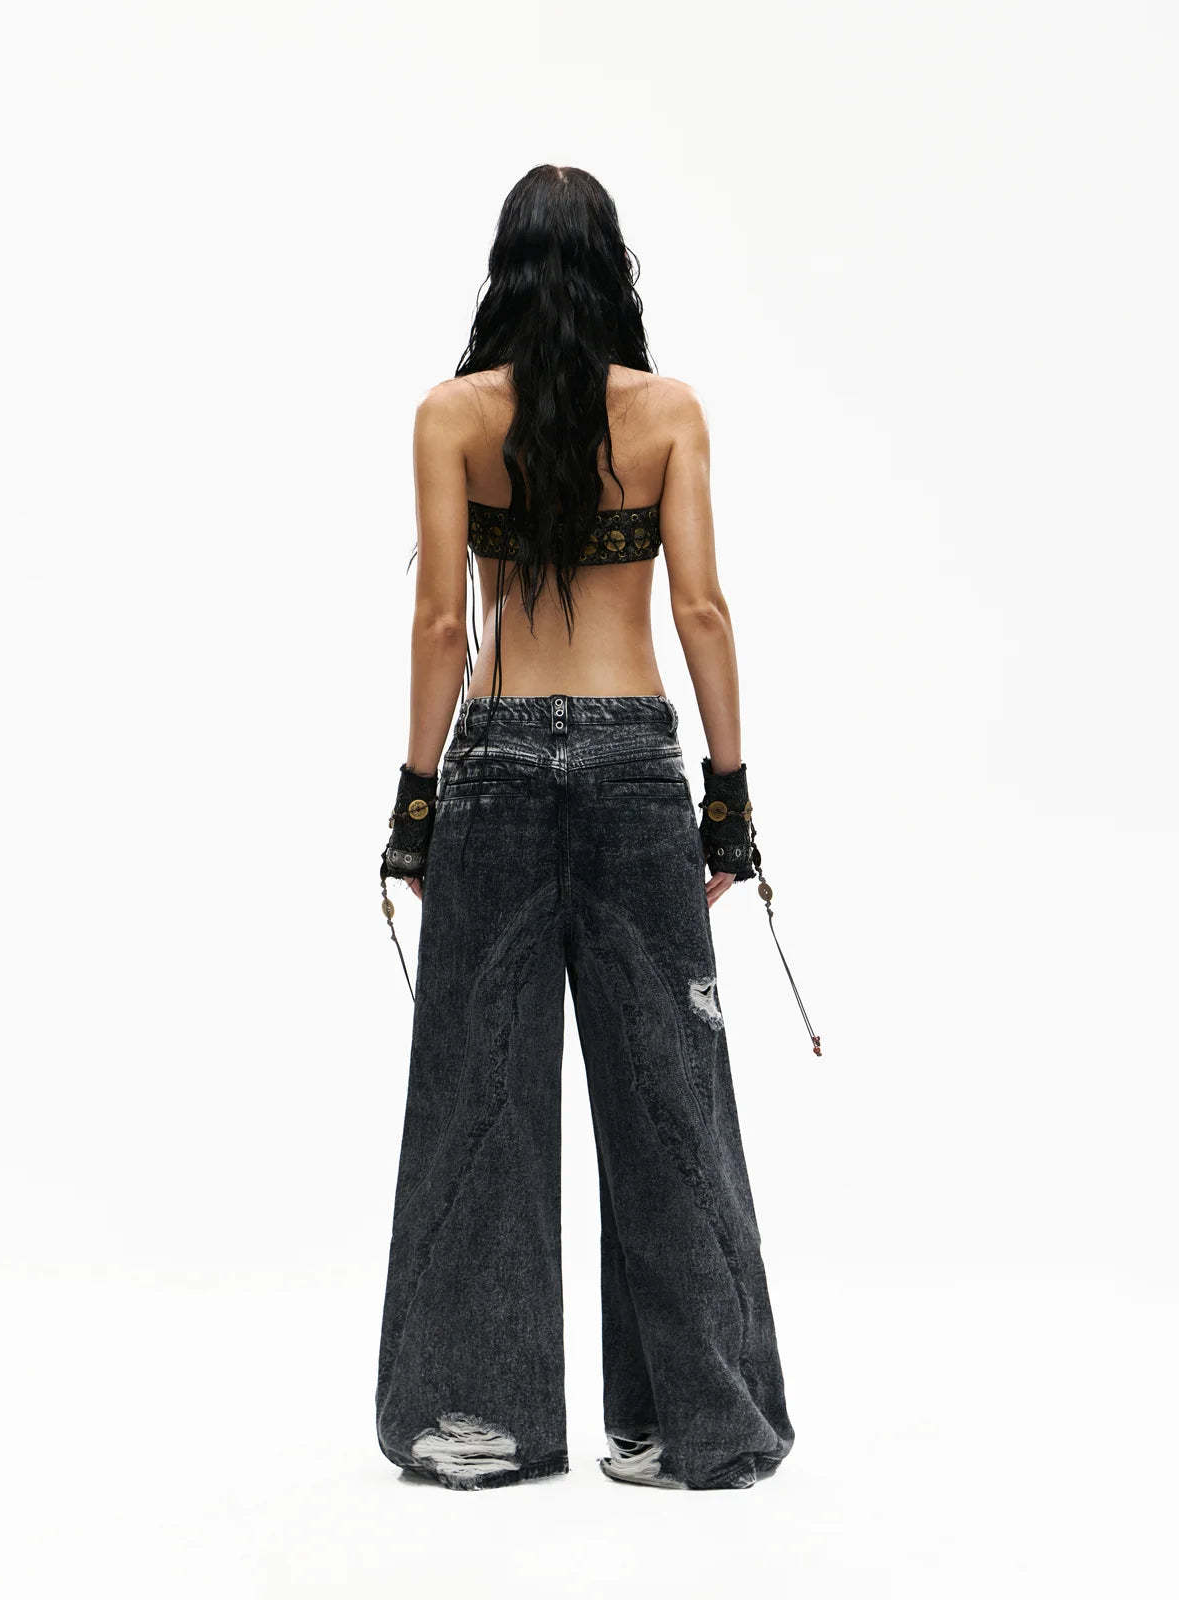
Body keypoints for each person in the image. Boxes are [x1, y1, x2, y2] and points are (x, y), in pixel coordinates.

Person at [374, 164, 813, 1493]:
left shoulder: (453, 415)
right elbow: (702, 610)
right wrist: (729, 802)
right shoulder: (668, 412)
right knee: (671, 1097)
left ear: (503, 270)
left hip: (498, 761)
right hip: (633, 764)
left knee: (478, 1095)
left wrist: (415, 810)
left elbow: (442, 624)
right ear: (614, 268)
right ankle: (691, 1426)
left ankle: (480, 1425)